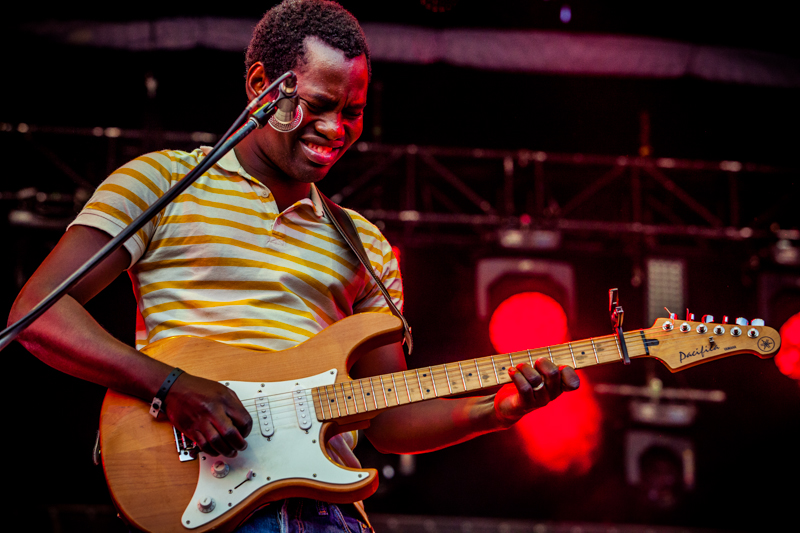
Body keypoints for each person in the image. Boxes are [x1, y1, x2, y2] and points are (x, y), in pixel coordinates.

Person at [9, 1, 580, 531]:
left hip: (330, 513)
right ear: (261, 85)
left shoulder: (364, 244)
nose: (336, 130)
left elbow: (388, 420)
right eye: (318, 105)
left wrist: (497, 410)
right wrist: (170, 386)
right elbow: (37, 315)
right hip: (201, 499)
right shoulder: (159, 182)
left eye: (352, 112)